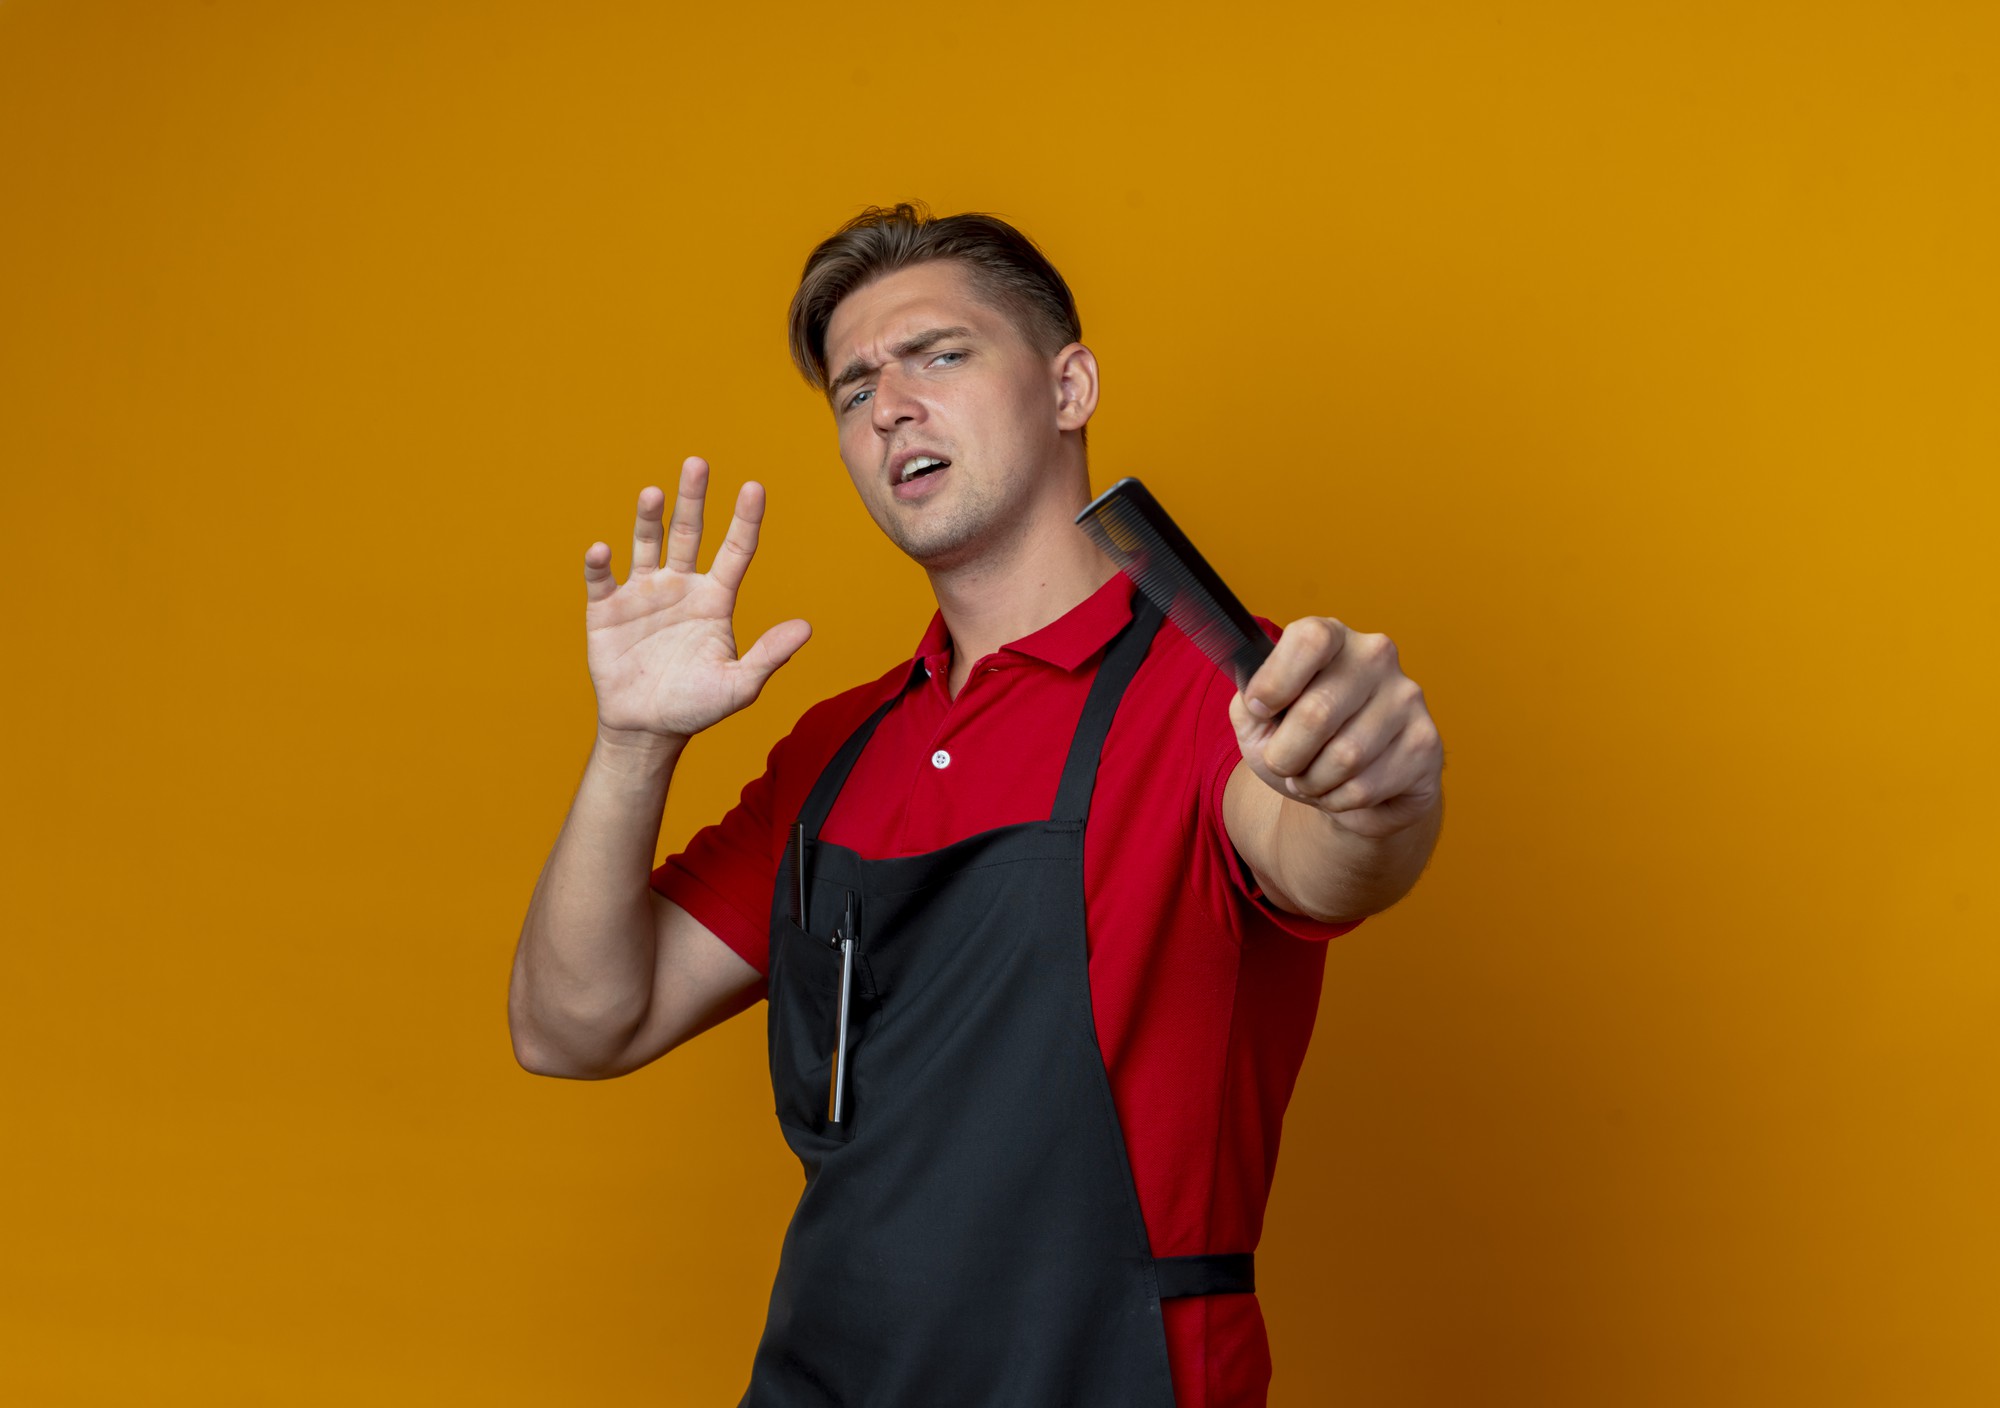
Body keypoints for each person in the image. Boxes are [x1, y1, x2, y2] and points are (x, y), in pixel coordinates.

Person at [508, 202, 1444, 1408]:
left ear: (1069, 387)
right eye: (853, 389)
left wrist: (1375, 789)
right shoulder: (835, 748)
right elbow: (574, 1026)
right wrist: (631, 744)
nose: (888, 402)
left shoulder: (1224, 688)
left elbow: (1325, 851)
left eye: (938, 354)